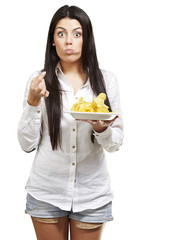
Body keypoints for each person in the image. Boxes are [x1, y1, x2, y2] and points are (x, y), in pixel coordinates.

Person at [18, 5, 124, 240]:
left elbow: (115, 144)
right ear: (52, 41)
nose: (69, 41)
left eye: (77, 34)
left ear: (87, 40)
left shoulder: (107, 81)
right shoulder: (38, 81)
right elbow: (26, 144)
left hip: (92, 195)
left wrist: (101, 128)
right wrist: (33, 101)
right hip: (46, 192)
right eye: (61, 33)